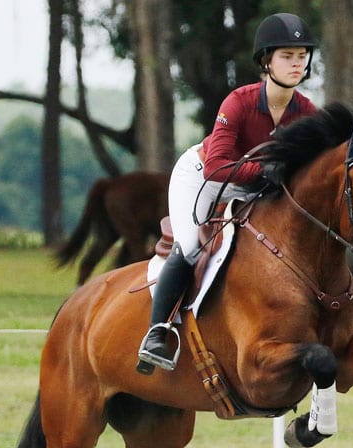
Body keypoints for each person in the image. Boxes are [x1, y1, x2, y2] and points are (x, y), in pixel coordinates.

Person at [136, 12, 320, 374]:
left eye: (302, 55)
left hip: (259, 187)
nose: (297, 63)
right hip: (204, 178)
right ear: (266, 61)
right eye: (287, 56)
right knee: (190, 247)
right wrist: (264, 171)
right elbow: (218, 165)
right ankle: (158, 332)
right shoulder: (239, 101)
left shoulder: (308, 113)